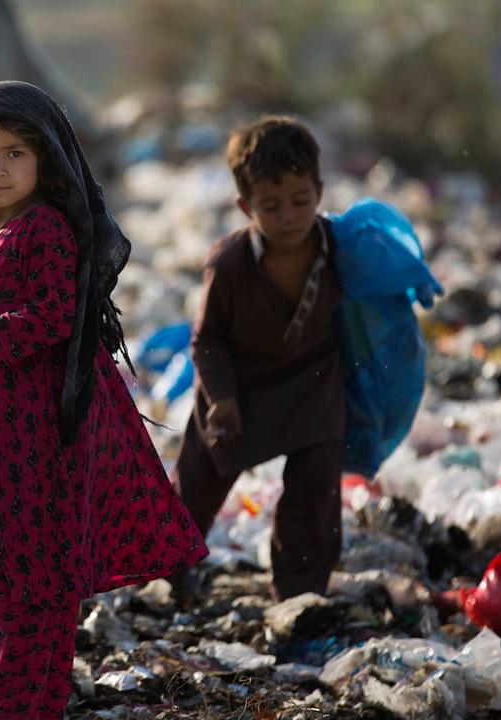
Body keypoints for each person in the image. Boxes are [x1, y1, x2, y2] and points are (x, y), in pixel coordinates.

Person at [0, 81, 208, 719]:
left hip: (41, 436)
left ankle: (23, 706)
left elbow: (55, 319)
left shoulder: (45, 229)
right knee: (15, 574)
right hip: (8, 438)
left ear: (47, 160)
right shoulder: (8, 227)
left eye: (13, 154)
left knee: (34, 583)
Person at [170, 115, 346, 603]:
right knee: (197, 487)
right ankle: (168, 572)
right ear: (246, 206)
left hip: (313, 383)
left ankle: (300, 592)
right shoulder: (228, 265)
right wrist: (221, 400)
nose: (289, 216)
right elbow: (207, 340)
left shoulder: (340, 250)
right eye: (271, 206)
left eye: (300, 201)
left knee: (315, 491)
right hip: (238, 388)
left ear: (320, 191)